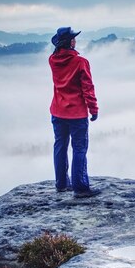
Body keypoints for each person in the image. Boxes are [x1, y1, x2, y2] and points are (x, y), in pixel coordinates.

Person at [49, 27, 100, 198]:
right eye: (73, 38)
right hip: (76, 114)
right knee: (79, 149)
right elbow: (88, 88)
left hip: (57, 111)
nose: (75, 40)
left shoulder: (52, 60)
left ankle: (61, 184)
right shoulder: (80, 62)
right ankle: (80, 187)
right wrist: (93, 109)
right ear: (70, 42)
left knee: (60, 146)